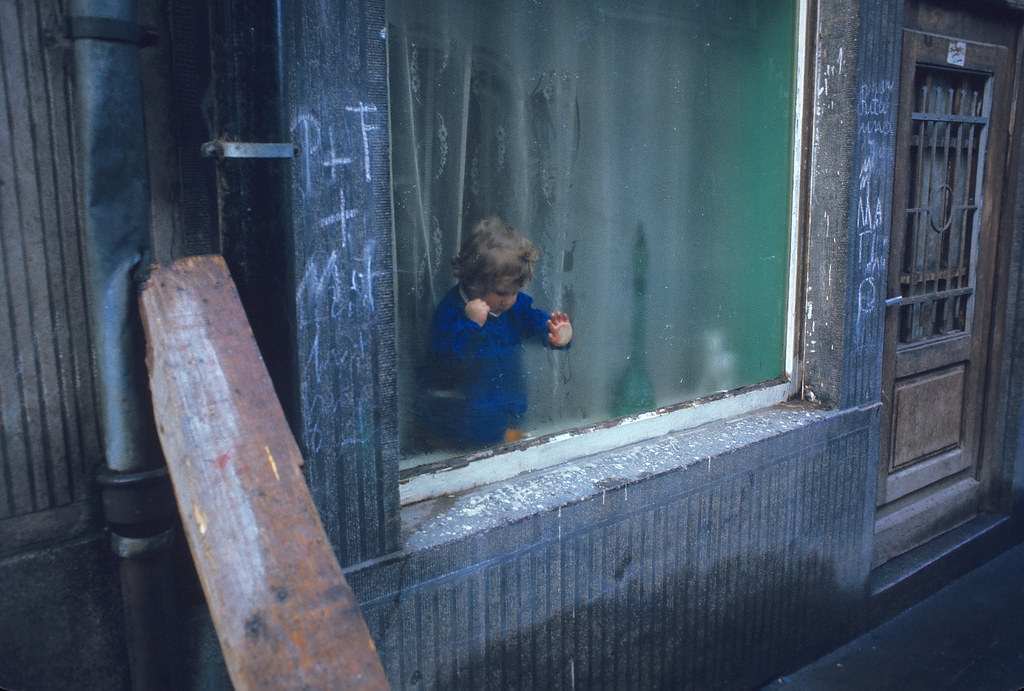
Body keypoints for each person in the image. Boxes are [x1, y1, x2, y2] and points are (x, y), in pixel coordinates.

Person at [414, 217, 573, 449]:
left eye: (516, 292)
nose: (509, 300)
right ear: (475, 281)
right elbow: (446, 363)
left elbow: (532, 320)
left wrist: (556, 334)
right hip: (460, 426)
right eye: (502, 293)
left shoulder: (514, 307)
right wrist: (470, 325)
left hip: (504, 415)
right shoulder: (451, 310)